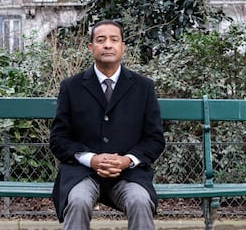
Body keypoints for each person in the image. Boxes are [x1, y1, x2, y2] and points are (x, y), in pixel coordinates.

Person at [49, 20, 165, 230]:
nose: (108, 45)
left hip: (129, 174)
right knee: (77, 201)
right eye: (100, 40)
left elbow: (154, 139)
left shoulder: (143, 87)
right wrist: (90, 159)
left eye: (114, 40)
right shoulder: (71, 87)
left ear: (123, 47)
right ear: (91, 47)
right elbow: (59, 139)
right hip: (82, 172)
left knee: (140, 201)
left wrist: (126, 160)